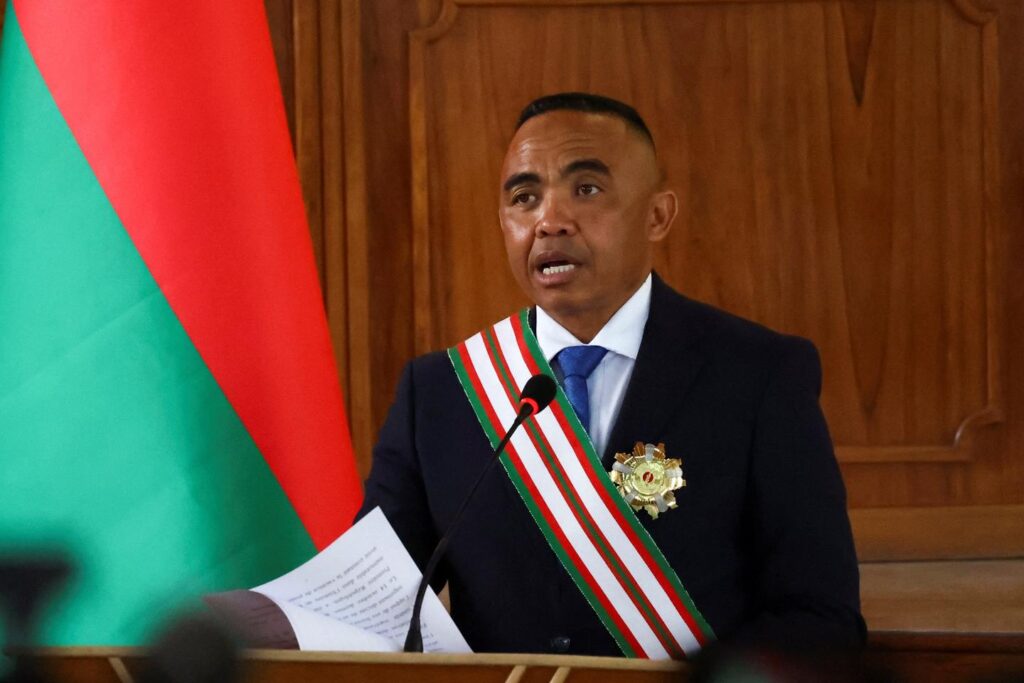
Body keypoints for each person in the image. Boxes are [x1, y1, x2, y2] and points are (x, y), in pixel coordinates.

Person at [357, 92, 865, 657]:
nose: (549, 222)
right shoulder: (441, 393)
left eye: (587, 189)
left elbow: (818, 617)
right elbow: (370, 605)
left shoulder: (758, 376)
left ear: (657, 215)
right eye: (525, 198)